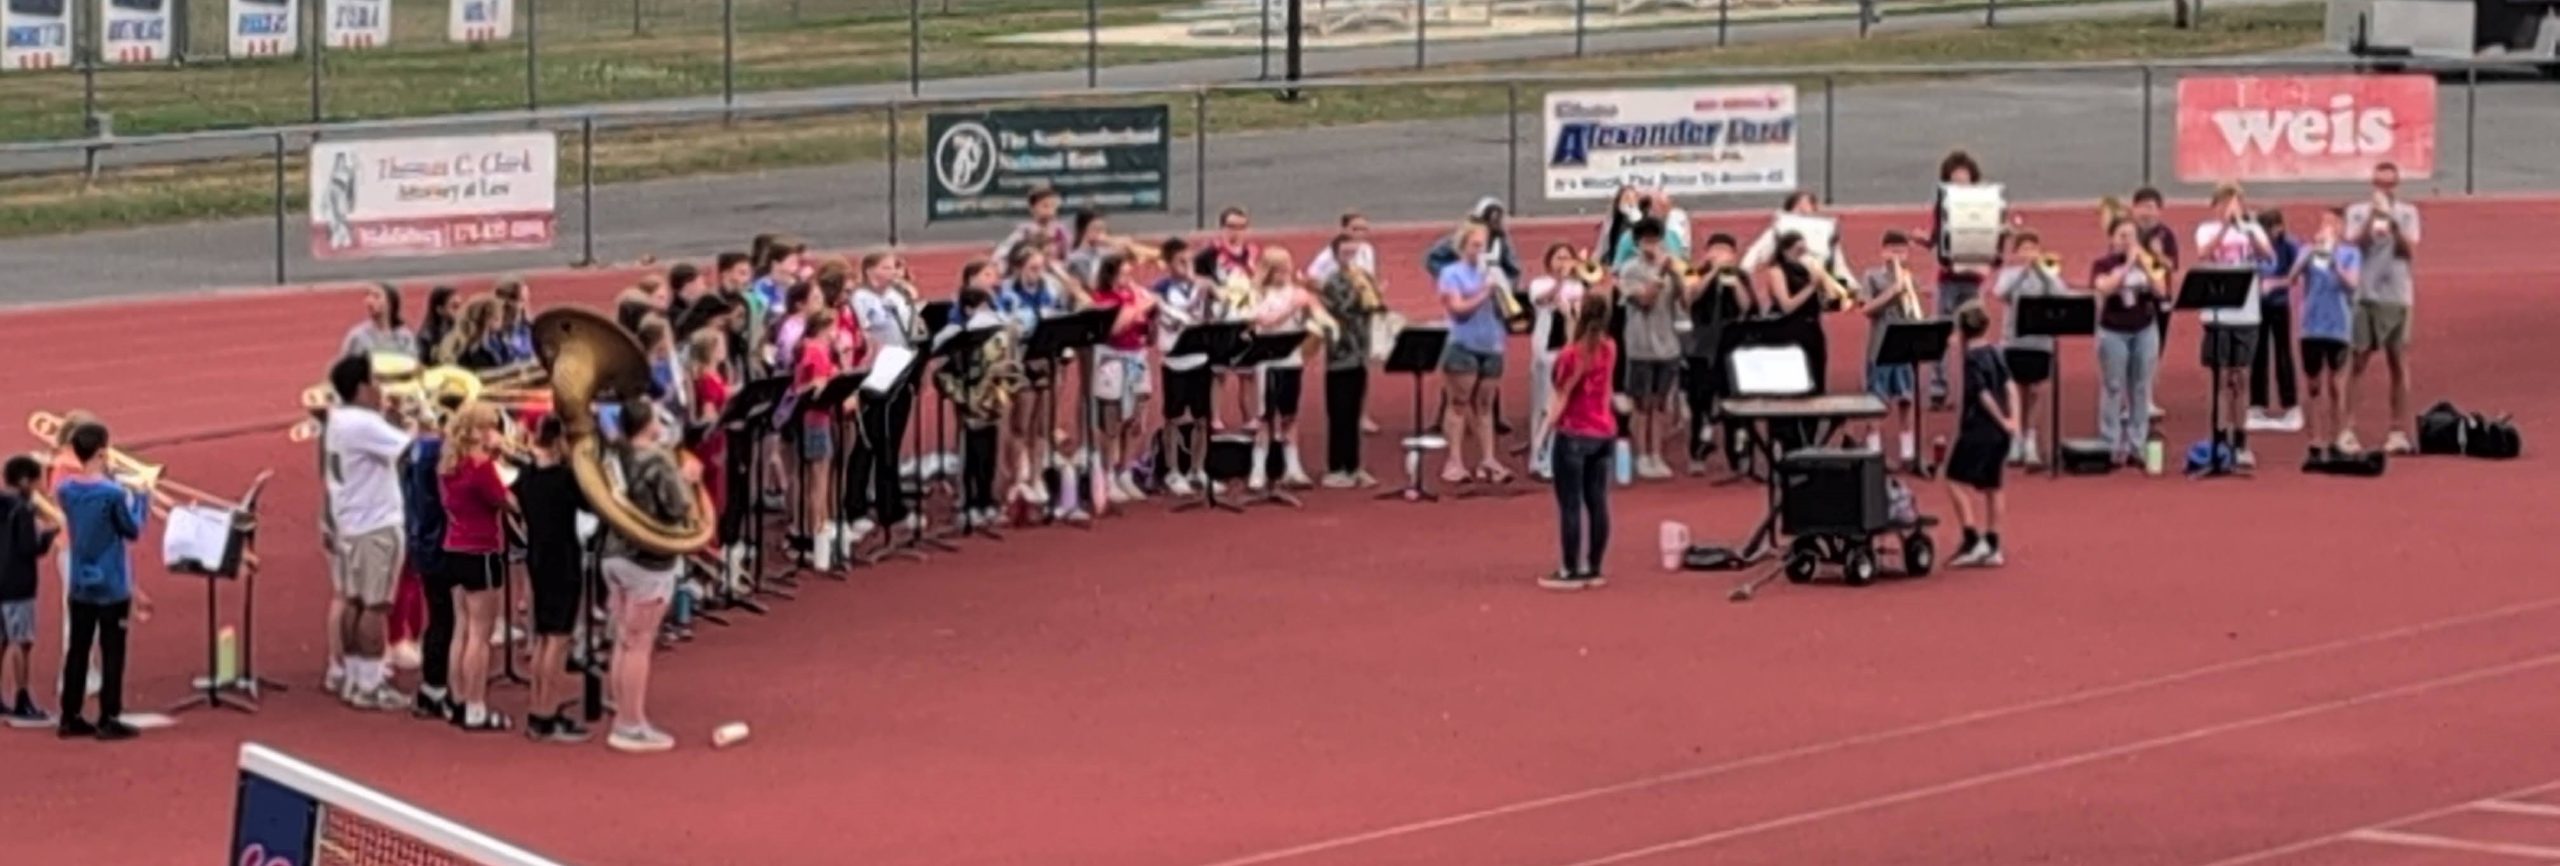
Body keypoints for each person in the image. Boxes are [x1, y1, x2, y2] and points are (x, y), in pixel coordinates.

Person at [598, 398, 698, 754]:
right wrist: (686, 480)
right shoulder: (656, 459)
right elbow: (677, 507)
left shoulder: (613, 455)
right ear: (647, 424)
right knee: (639, 642)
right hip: (646, 559)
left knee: (623, 638)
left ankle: (620, 705)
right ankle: (630, 724)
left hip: (614, 552)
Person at [322, 353, 414, 712]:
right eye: (375, 381)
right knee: (376, 605)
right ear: (361, 387)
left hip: (351, 522)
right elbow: (409, 450)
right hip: (375, 524)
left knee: (355, 601)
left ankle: (355, 677)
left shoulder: (339, 420)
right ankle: (370, 684)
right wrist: (413, 424)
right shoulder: (363, 423)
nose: (381, 389)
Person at [54, 421, 151, 740]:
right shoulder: (111, 494)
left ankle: (70, 714)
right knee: (112, 650)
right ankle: (109, 716)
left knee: (78, 649)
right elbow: (131, 529)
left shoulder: (66, 490)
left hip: (80, 579)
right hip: (111, 581)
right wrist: (141, 498)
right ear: (101, 452)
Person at [437, 402, 516, 732]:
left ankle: (456, 698)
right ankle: (475, 706)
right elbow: (506, 502)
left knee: (461, 628)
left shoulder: (448, 465)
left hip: (454, 545)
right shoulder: (480, 467)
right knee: (480, 635)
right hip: (482, 549)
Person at [509, 417, 588, 743]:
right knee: (557, 640)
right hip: (563, 558)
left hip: (538, 557)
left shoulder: (526, 477)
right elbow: (591, 504)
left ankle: (538, 707)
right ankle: (546, 713)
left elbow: (512, 503)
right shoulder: (566, 479)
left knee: (543, 637)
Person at [2194, 183, 2275, 467]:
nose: (2231, 207)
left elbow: (2268, 257)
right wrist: (2224, 228)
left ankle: (2241, 441)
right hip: (2217, 315)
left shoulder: (2252, 230)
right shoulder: (2206, 229)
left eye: (2236, 201)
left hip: (2247, 314)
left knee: (2240, 379)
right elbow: (2204, 255)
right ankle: (2218, 440)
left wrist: (2248, 229)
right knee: (2219, 379)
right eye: (2226, 202)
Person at [1542, 293, 1619, 591]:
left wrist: (1545, 431)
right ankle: (1594, 566)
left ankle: (1570, 568)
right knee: (1597, 500)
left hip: (1574, 431)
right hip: (1603, 430)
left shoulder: (1571, 355)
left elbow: (1561, 391)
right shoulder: (1610, 348)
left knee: (1570, 504)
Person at [1247, 249, 1334, 491]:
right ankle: (1258, 468)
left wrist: (1312, 302)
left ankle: (1293, 466)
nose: (1285, 274)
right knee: (1265, 417)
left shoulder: (1298, 293)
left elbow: (1321, 320)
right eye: (1279, 270)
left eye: (1287, 269)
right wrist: (1292, 306)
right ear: (1268, 271)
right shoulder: (1257, 293)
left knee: (1290, 415)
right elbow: (1264, 321)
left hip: (1292, 360)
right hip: (1266, 361)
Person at [933, 264, 1012, 525]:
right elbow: (939, 355)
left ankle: (986, 499)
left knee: (989, 448)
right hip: (968, 395)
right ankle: (968, 502)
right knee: (971, 449)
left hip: (990, 396)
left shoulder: (997, 325)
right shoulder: (955, 330)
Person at [1437, 221, 1512, 484]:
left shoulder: (1493, 272)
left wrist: (1501, 291)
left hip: (1491, 343)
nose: (1480, 250)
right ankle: (1454, 461)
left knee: (1484, 405)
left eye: (1484, 245)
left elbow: (1509, 310)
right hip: (1462, 343)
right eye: (1475, 245)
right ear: (1463, 247)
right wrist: (1485, 292)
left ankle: (1488, 459)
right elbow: (1458, 309)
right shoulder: (1451, 274)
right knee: (1458, 403)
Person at [1944, 303, 2017, 567]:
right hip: (2001, 433)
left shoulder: (1972, 359)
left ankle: (1971, 538)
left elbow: (1983, 394)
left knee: (1953, 478)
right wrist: (2012, 420)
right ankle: (1994, 543)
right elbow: (2009, 387)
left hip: (1979, 428)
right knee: (1993, 485)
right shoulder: (1996, 352)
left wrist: (1998, 418)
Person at [2092, 218, 2169, 467]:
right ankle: (2111, 444)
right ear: (2112, 239)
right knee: (2113, 386)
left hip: (2144, 329)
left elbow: (2161, 290)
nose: (2127, 241)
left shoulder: (2147, 261)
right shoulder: (2103, 264)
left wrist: (2144, 265)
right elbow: (2104, 288)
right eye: (2122, 236)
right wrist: (2126, 267)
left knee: (2140, 387)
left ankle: (2137, 444)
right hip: (2113, 330)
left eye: (2132, 236)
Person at [1614, 219, 1686, 480]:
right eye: (1646, 241)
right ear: (1637, 243)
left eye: (1655, 240)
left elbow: (1685, 302)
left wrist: (1677, 275)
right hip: (1640, 345)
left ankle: (1657, 454)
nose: (1652, 245)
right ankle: (1642, 454)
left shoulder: (1670, 267)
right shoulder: (1629, 269)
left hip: (1668, 344)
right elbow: (1645, 300)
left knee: (1660, 404)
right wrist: (1660, 275)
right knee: (1642, 404)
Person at [2343, 207, 2418, 455]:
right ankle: (2347, 429)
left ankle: (2397, 431)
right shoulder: (2358, 212)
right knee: (2357, 361)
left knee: (2397, 361)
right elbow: (2351, 246)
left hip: (2397, 297)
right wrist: (2369, 223)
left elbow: (2410, 252)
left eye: (2389, 182)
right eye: (2379, 181)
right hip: (2365, 296)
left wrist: (2395, 227)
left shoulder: (2408, 213)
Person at [1086, 254, 1159, 501]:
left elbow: (1150, 337)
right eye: (1124, 274)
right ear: (1111, 276)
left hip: (1137, 358)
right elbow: (1114, 328)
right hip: (1112, 360)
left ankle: (1125, 471)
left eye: (1131, 274)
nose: (1129, 280)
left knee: (1134, 420)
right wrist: (1140, 306)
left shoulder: (1134, 295)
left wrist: (1154, 319)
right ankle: (1107, 475)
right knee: (1112, 422)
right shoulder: (1102, 300)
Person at [1992, 231, 2067, 466]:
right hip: (2014, 341)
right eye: (2024, 249)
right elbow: (2001, 294)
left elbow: (2060, 294)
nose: (2029, 253)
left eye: (2033, 248)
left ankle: (2031, 439)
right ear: (2016, 253)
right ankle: (2015, 437)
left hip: (2040, 343)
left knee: (2036, 391)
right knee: (2014, 391)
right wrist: (2023, 272)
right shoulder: (2009, 274)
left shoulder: (2048, 273)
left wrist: (2041, 271)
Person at [1926, 152, 1994, 407]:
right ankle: (1938, 389)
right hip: (1948, 278)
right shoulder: (1942, 205)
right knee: (1941, 334)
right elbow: (1937, 236)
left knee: (1974, 335)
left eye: (1964, 180)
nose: (1960, 185)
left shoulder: (1985, 204)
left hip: (1974, 279)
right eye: (1954, 181)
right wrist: (1927, 240)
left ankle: (1974, 386)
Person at [2293, 209, 2361, 464]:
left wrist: (2335, 263)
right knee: (2313, 386)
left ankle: (2337, 436)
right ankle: (2314, 439)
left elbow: (2352, 285)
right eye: (2323, 222)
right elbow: (2292, 278)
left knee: (2336, 385)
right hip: (2311, 327)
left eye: (2332, 223)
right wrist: (2307, 257)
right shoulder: (2307, 250)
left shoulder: (2350, 254)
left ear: (2341, 228)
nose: (2326, 227)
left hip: (2338, 328)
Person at [1314, 234, 1380, 488]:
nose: (1351, 258)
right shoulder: (1334, 281)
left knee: (1354, 412)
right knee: (1339, 412)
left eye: (1354, 253)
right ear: (1336, 255)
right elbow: (1342, 308)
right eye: (1346, 253)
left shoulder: (1361, 278)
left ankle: (1354, 466)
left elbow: (1374, 308)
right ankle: (1336, 467)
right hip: (1340, 354)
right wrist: (1361, 288)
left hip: (1359, 353)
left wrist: (1372, 290)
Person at [1151, 239, 1215, 498]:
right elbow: (1175, 319)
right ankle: (1173, 470)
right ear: (1168, 264)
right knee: (1174, 418)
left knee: (1201, 418)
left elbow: (1210, 316)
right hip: (1175, 361)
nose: (1187, 267)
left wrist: (1210, 294)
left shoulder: (1201, 285)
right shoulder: (1160, 290)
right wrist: (1196, 296)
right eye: (1181, 262)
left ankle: (1198, 469)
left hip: (1200, 358)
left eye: (1190, 261)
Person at [1, 455, 61, 727]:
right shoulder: (22, 510)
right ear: (25, 481)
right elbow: (30, 548)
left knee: (2, 640)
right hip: (18, 583)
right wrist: (49, 535)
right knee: (21, 642)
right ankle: (22, 699)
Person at [1857, 231, 1924, 469]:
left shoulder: (1909, 277)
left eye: (1902, 251)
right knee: (1877, 400)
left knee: (1906, 398)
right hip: (1880, 346)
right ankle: (1874, 451)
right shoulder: (1872, 276)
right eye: (1893, 251)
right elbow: (1866, 309)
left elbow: (1916, 309)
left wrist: (1907, 289)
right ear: (1883, 252)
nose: (1898, 256)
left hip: (1904, 346)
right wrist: (1892, 292)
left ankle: (1908, 453)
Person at [1525, 243, 1590, 480]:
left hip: (1569, 350)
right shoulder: (1540, 283)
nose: (1563, 262)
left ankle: (1559, 457)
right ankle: (1539, 459)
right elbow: (1542, 299)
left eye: (1567, 257)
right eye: (1558, 257)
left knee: (1567, 407)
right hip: (1546, 353)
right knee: (1544, 407)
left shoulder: (1578, 286)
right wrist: (1561, 282)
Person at [2246, 209, 2304, 433]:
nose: (2268, 234)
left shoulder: (2290, 245)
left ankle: (2290, 404)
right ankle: (2257, 404)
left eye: (2271, 229)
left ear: (2279, 227)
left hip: (2279, 304)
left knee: (2283, 353)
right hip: (2257, 306)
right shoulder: (2254, 244)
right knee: (2258, 353)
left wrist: (2274, 284)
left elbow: (2295, 276)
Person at [2128, 187, 2181, 421]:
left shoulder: (2165, 235)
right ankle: (2129, 401)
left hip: (2159, 298)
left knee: (2153, 351)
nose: (2147, 213)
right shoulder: (2127, 233)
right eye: (2142, 207)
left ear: (2160, 211)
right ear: (2134, 209)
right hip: (2132, 297)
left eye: (2151, 207)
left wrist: (2158, 255)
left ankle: (2146, 398)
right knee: (2130, 351)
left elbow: (2172, 266)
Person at [995, 186, 1073, 266]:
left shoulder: (1061, 231)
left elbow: (1070, 254)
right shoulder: (1024, 231)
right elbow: (1002, 254)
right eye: (1045, 206)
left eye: (1053, 206)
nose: (1050, 211)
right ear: (1032, 208)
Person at [343, 282, 419, 359]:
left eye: (376, 296)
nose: (369, 301)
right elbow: (346, 368)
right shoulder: (358, 337)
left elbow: (414, 364)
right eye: (367, 296)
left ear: (390, 303)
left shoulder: (404, 338)